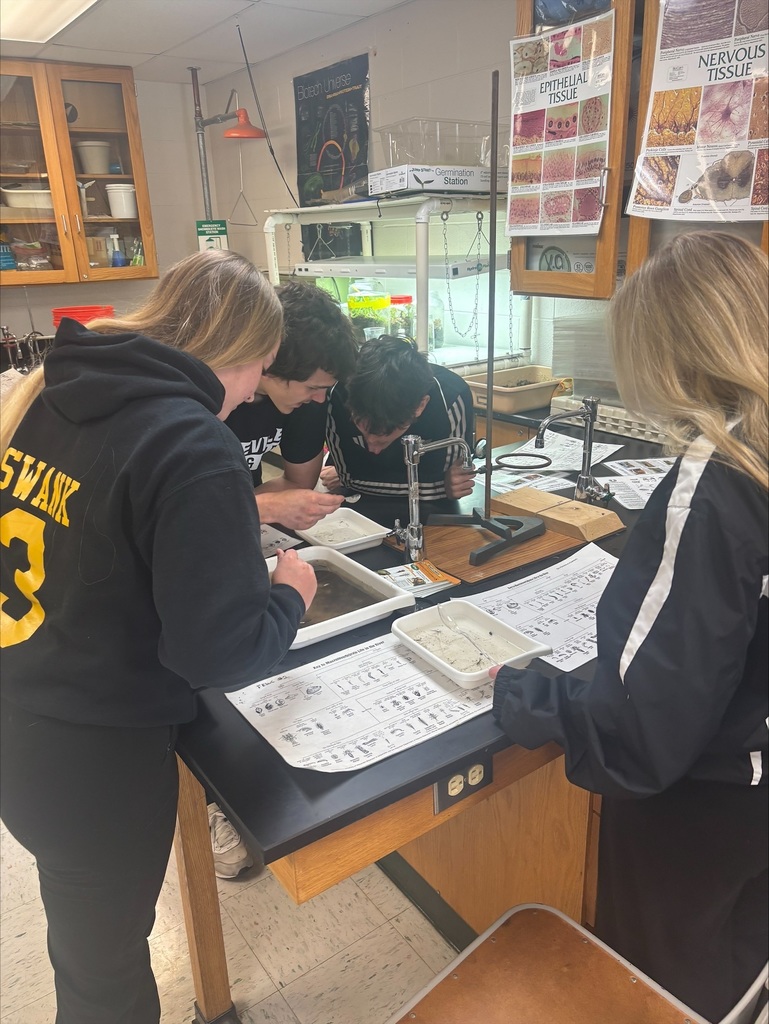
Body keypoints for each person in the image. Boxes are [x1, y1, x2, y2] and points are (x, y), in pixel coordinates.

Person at [0, 249, 317, 1024]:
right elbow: (220, 652)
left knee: (87, 950)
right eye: (257, 375)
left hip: (22, 716)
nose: (245, 399)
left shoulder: (55, 390)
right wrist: (288, 597)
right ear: (249, 354)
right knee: (104, 979)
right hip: (94, 756)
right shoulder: (188, 436)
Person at [489, 232, 768, 1021]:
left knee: (657, 984)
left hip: (701, 804)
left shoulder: (714, 483)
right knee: (742, 957)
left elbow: (643, 731)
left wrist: (532, 695)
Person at [226, 279, 359, 531]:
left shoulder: (307, 400)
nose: (319, 399)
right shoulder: (210, 402)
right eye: (312, 387)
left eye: (324, 389)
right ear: (269, 361)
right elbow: (179, 511)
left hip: (238, 526)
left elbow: (298, 483)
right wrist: (267, 506)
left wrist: (254, 508)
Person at [323, 335, 476, 500]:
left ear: (420, 406)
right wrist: (436, 487)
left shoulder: (451, 398)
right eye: (363, 432)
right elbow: (349, 480)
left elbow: (452, 487)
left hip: (432, 513)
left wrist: (447, 487)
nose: (372, 449)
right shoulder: (337, 395)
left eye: (382, 438)